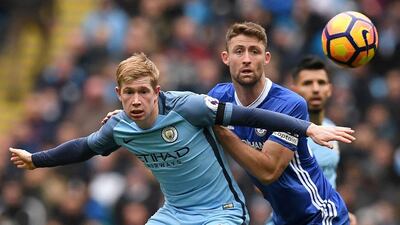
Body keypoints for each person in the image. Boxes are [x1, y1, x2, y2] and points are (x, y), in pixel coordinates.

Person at [9, 52, 354, 225]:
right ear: (118, 94)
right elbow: (82, 147)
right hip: (174, 213)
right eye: (128, 93)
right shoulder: (118, 127)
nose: (136, 101)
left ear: (157, 91)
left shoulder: (190, 107)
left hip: (222, 212)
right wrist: (36, 159)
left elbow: (250, 115)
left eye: (144, 92)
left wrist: (307, 128)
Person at [208, 22, 352, 224]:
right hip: (281, 218)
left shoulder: (290, 104)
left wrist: (221, 132)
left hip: (318, 215)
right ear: (225, 58)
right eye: (239, 51)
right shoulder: (218, 97)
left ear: (266, 58)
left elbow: (268, 172)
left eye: (254, 51)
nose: (247, 59)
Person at [290, 55, 357, 225]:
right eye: (307, 83)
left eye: (321, 83)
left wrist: (340, 210)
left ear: (330, 89)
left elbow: (330, 178)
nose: (315, 89)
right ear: (294, 89)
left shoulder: (332, 128)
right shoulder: (286, 131)